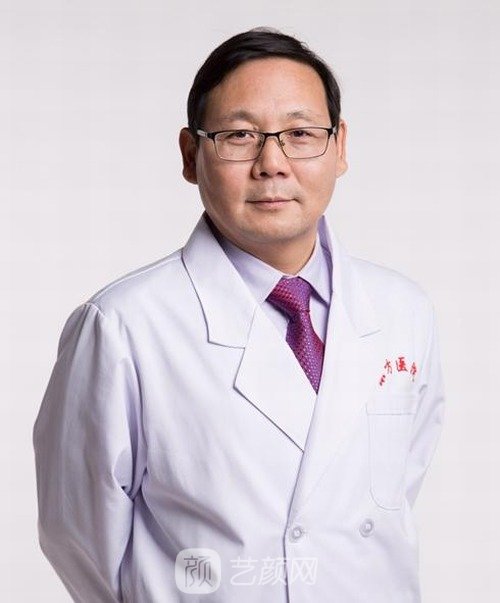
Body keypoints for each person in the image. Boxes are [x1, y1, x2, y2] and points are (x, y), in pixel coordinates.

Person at [33, 27, 445, 602]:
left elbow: (395, 494)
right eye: (239, 136)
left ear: (340, 147)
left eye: (301, 134)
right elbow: (77, 537)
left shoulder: (403, 310)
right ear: (190, 154)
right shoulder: (123, 325)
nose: (272, 163)